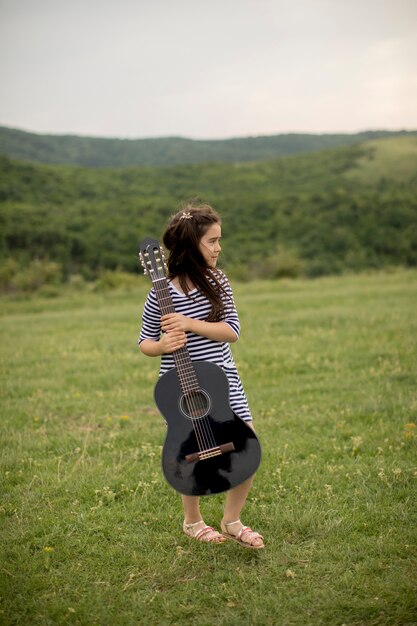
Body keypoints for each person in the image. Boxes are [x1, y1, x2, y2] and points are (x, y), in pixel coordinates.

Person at [138, 202, 264, 549]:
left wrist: (190, 324)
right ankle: (192, 521)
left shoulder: (218, 281)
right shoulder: (159, 295)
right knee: (188, 451)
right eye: (212, 241)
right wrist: (163, 344)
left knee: (247, 443)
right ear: (191, 246)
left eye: (219, 240)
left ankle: (232, 519)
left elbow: (232, 331)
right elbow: (144, 342)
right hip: (181, 387)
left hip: (222, 382)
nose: (218, 248)